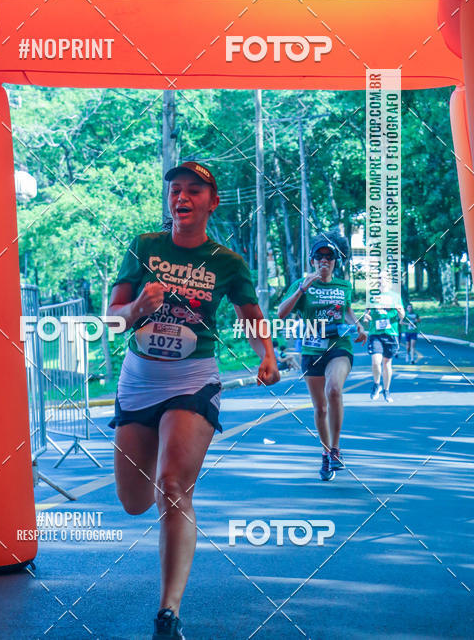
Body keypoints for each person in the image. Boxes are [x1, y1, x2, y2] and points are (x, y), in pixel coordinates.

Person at [107, 161, 280, 640]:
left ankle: (169, 612)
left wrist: (265, 353)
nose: (181, 197)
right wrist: (138, 308)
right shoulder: (144, 247)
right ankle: (167, 603)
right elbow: (113, 318)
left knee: (172, 485)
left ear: (211, 201)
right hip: (139, 380)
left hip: (194, 379)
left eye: (192, 191)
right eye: (175, 190)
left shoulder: (226, 261)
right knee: (134, 501)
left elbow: (250, 314)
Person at [277, 237, 367, 481]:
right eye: (319, 257)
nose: (324, 261)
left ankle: (336, 450)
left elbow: (346, 310)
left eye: (329, 257)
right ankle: (326, 453)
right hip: (311, 350)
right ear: (312, 261)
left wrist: (358, 326)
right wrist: (301, 289)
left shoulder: (344, 286)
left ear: (335, 262)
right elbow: (281, 313)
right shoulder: (302, 284)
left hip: (339, 346)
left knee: (334, 389)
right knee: (320, 407)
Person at [363, 301, 404, 402]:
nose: (382, 284)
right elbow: (366, 315)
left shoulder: (395, 297)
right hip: (375, 334)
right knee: (376, 361)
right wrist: (366, 318)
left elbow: (402, 317)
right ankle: (376, 385)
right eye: (380, 283)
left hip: (391, 334)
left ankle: (386, 390)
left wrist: (400, 311)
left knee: (386, 363)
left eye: (385, 283)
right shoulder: (372, 297)